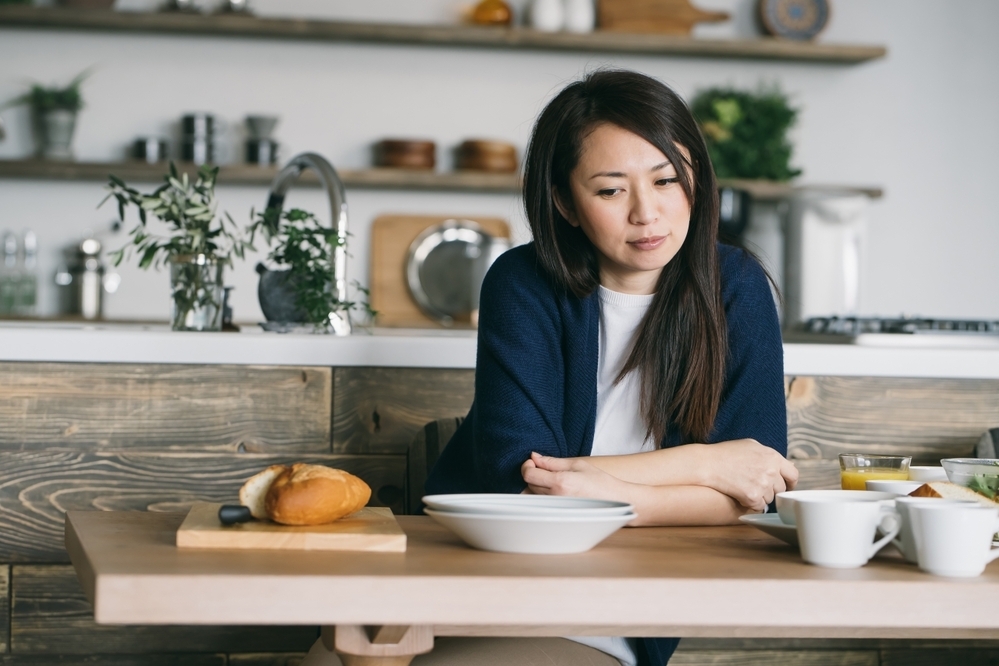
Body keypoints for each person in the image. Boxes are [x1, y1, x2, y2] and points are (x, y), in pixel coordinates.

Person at [299, 68, 798, 666]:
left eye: (667, 179)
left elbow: (758, 493)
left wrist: (606, 491)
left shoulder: (736, 288)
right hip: (467, 575)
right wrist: (705, 463)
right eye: (611, 190)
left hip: (606, 608)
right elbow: (522, 482)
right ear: (565, 201)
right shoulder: (521, 282)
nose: (648, 213)